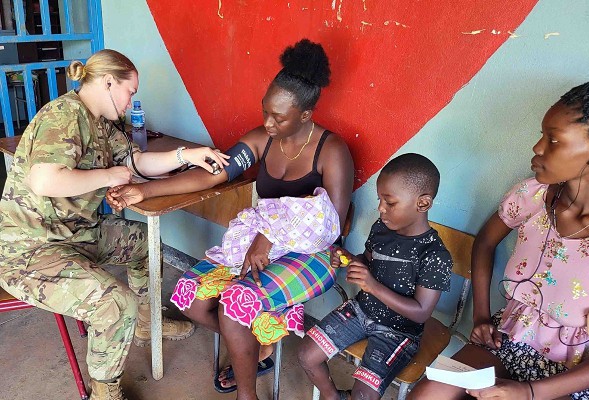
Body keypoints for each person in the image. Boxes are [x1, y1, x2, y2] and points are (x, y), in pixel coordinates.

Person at [106, 39, 354, 400]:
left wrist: (268, 236)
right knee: (189, 296)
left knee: (234, 303)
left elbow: (331, 224)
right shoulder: (261, 139)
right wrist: (146, 191)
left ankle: (247, 394)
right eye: (265, 111)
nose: (268, 122)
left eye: (279, 117)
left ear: (304, 115)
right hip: (261, 247)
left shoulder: (332, 151)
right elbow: (213, 173)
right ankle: (255, 348)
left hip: (314, 255)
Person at [0, 49, 229, 400]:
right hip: (31, 249)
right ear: (109, 82)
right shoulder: (64, 115)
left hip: (75, 234)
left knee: (143, 242)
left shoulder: (103, 125)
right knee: (114, 303)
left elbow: (136, 162)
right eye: (130, 92)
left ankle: (146, 321)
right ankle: (104, 391)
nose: (130, 101)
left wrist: (188, 156)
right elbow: (45, 181)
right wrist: (106, 175)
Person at [408, 77, 589, 400]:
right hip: (510, 340)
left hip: (576, 373)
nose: (538, 148)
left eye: (554, 140)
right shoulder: (534, 196)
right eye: (542, 135)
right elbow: (485, 241)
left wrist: (528, 392)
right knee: (427, 394)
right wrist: (481, 316)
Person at [297, 153, 453, 400]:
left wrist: (372, 285)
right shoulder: (381, 228)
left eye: (389, 202)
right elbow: (367, 260)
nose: (381, 208)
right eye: (380, 199)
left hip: (400, 331)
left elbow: (421, 311)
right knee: (306, 354)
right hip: (361, 310)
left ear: (422, 204)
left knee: (364, 395)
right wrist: (349, 258)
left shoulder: (434, 255)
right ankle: (333, 397)